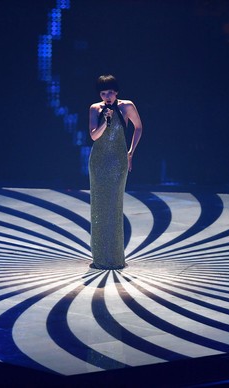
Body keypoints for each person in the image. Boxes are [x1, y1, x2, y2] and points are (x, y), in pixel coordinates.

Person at [88, 74, 142, 269]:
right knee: (99, 208)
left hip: (118, 161)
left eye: (110, 92)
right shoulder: (95, 109)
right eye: (103, 93)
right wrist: (105, 120)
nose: (107, 96)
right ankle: (100, 257)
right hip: (99, 162)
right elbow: (94, 136)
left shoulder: (127, 106)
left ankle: (116, 258)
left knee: (114, 206)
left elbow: (138, 127)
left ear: (117, 91)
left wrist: (130, 153)